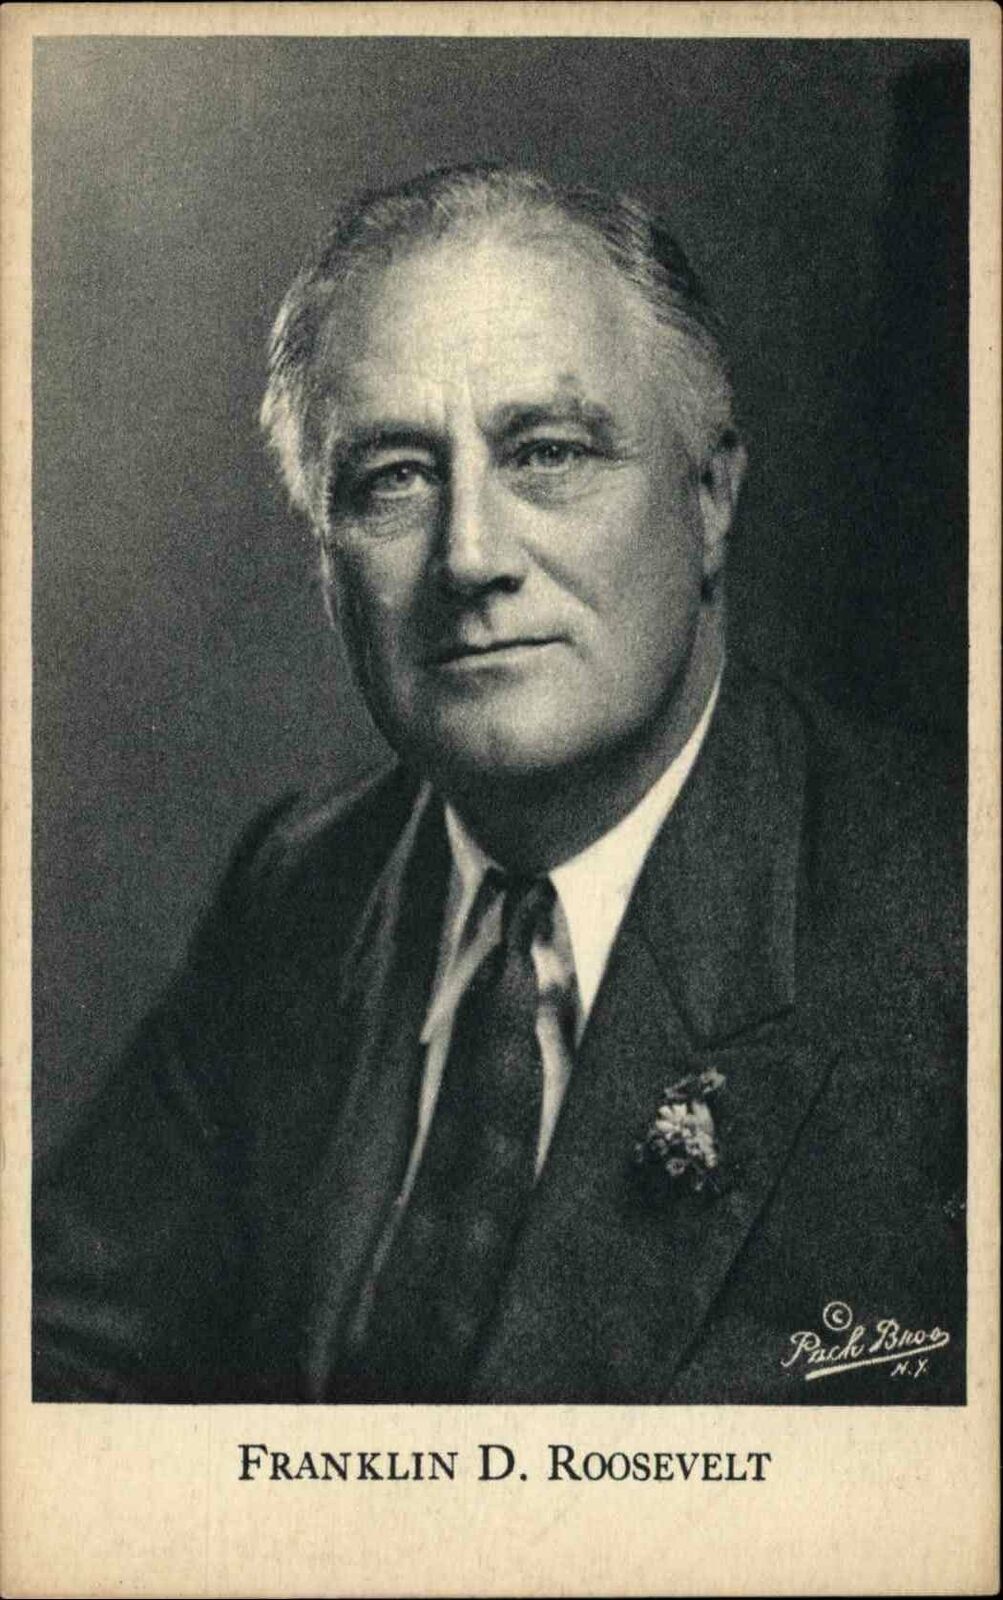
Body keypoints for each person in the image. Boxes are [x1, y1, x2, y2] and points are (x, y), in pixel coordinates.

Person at [33, 165, 965, 1404]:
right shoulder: (298, 890)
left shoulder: (953, 919)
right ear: (326, 558)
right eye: (393, 477)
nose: (469, 556)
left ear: (709, 499)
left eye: (548, 453)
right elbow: (51, 1370)